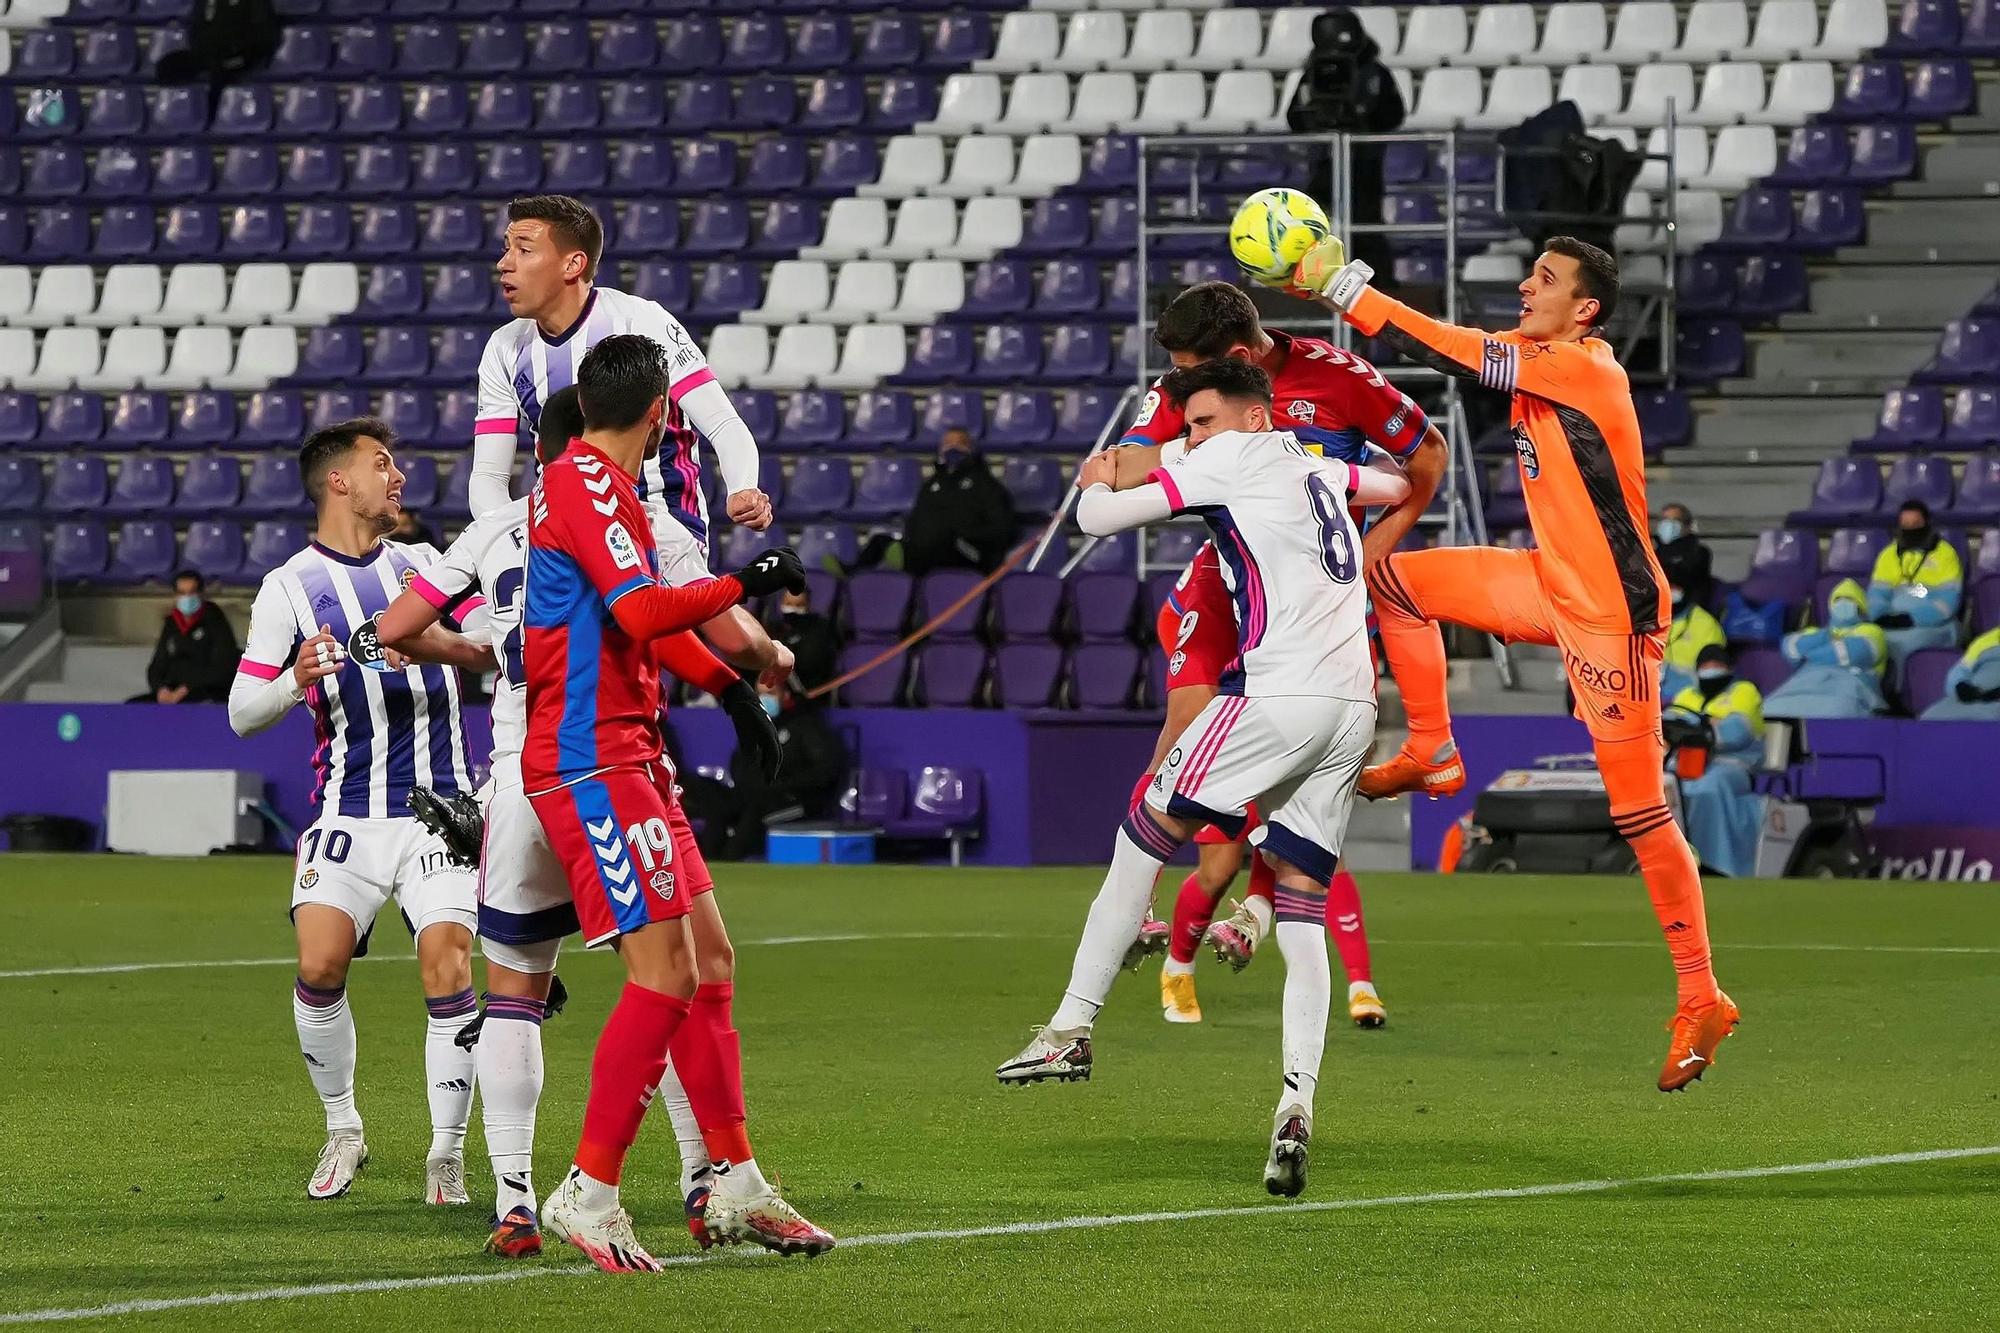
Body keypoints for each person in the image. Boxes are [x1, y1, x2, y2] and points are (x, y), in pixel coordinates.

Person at [1293, 232, 1740, 1091]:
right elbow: (1469, 346)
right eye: (1531, 273)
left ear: (1586, 309)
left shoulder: (1584, 369)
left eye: (1547, 280)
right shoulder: (1544, 355)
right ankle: (1432, 746)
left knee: (1640, 810)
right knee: (1395, 581)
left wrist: (1352, 289)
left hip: (1612, 613)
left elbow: (1454, 349)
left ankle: (1701, 993)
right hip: (1550, 582)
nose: (1528, 287)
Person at [371, 384, 787, 1258]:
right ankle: (639, 1182)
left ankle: (527, 1195)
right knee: (666, 970)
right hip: (589, 757)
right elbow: (688, 616)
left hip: (533, 759)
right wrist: (757, 654)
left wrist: (476, 651)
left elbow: (398, 625)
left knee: (554, 984)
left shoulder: (502, 525)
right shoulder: (611, 504)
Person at [997, 359, 1412, 1198]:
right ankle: (1295, 1105)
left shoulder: (1234, 457)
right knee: (1299, 912)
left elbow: (1099, 519)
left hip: (1280, 695)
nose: (1189, 440)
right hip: (1354, 706)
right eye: (1186, 426)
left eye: (1202, 421)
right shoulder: (1319, 465)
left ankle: (1072, 1025)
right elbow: (1396, 482)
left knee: (1142, 829)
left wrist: (1096, 475)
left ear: (1253, 417)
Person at [517, 335, 831, 1272]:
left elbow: (633, 616)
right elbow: (648, 611)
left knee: (710, 959)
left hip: (633, 755)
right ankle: (589, 1189)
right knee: (663, 974)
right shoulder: (583, 486)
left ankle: (734, 1181)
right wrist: (746, 584)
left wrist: (730, 690)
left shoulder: (600, 487)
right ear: (662, 412)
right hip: (588, 761)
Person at [1106, 279, 1445, 1023]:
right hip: (1224, 579)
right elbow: (1130, 466)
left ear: (1233, 356)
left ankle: (1262, 911)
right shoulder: (1183, 388)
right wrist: (1129, 460)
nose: (1179, 388)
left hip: (1311, 605)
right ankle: (1138, 906)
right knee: (1183, 729)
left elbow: (1428, 456)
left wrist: (1375, 550)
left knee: (1301, 783)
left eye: (1192, 370)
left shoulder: (1339, 378)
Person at [227, 418, 495, 1204]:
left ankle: (445, 1153)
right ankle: (344, 1127)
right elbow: (244, 709)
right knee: (318, 966)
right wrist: (296, 677)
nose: (399, 476)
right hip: (349, 808)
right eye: (384, 463)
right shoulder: (290, 587)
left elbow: (490, 642)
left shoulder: (425, 565)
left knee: (447, 962)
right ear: (338, 481)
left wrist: (438, 639)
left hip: (441, 809)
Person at [1148, 543, 1385, 1032]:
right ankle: (1179, 964)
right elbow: (1174, 624)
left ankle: (1361, 984)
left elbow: (1366, 647)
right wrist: (1211, 694)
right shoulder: (1225, 545)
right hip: (1233, 704)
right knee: (1218, 868)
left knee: (1312, 852)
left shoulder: (1337, 554)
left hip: (1298, 709)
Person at [472, 193, 773, 544]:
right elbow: (489, 475)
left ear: (573, 265)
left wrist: (742, 487)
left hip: (662, 534)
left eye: (523, 251)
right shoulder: (503, 347)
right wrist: (509, 539)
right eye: (507, 248)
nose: (504, 263)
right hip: (567, 540)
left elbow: (723, 424)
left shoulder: (641, 321)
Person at [711, 683, 849, 861]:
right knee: (717, 804)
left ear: (785, 695)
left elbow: (825, 770)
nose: (763, 699)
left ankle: (730, 861)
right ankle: (707, 864)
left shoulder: (806, 725)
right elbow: (740, 764)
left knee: (756, 811)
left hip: (799, 801)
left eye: (770, 693)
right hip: (759, 796)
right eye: (759, 694)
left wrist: (782, 784)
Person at [1663, 645, 1766, 878]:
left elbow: (1737, 732)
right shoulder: (1686, 695)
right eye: (1706, 667)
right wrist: (1706, 724)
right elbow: (1670, 725)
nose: (1710, 671)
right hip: (1687, 763)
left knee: (1709, 787)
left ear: (1729, 668)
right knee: (1669, 788)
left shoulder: (1744, 691)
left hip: (1733, 764)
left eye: (1716, 666)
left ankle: (1716, 864)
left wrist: (1701, 729)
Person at [1764, 578, 1889, 719]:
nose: (1843, 603)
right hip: (1804, 683)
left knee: (1836, 713)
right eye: (1838, 599)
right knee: (1769, 711)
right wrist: (1827, 638)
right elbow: (1790, 648)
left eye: (1849, 599)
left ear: (1860, 606)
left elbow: (1854, 653)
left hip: (1848, 687)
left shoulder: (1871, 631)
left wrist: (1811, 653)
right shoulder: (1817, 632)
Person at [901, 428, 1017, 576]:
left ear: (970, 449)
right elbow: (914, 523)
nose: (953, 448)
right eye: (948, 443)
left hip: (971, 553)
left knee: (942, 539)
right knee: (880, 543)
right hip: (927, 551)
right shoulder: (930, 486)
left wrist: (963, 536)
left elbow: (1003, 529)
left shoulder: (987, 486)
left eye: (960, 443)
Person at [1867, 501, 1963, 673]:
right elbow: (1876, 594)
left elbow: (1948, 602)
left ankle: (1904, 694)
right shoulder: (1888, 554)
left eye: (1915, 524)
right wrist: (1881, 616)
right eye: (1905, 525)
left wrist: (1911, 619)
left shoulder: (1945, 554)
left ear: (1926, 524)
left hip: (1934, 624)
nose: (1910, 530)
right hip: (1892, 620)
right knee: (1869, 640)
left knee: (1906, 644)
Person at [138, 569, 238, 704]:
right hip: (173, 690)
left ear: (201, 594)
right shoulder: (172, 623)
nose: (187, 598)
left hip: (206, 691)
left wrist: (185, 689)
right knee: (133, 706)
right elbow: (157, 664)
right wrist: (161, 689)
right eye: (182, 593)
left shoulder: (214, 620)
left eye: (192, 592)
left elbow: (222, 667)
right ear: (175, 595)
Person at [1661, 579, 1726, 701]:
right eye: (1666, 585)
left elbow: (1714, 669)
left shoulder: (1706, 624)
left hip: (1691, 698)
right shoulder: (1643, 617)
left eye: (1674, 586)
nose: (1670, 590)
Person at [769, 585, 839, 693]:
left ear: (807, 606)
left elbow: (811, 665)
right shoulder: (773, 629)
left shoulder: (818, 631)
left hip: (806, 693)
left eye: (799, 605)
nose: (792, 610)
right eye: (788, 604)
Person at [1921, 626, 2000, 719]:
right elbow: (1961, 669)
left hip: (1994, 703)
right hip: (1973, 696)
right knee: (1929, 717)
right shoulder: (1986, 641)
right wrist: (1959, 685)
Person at [1653, 503, 1713, 609]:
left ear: (1687, 526)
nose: (1668, 524)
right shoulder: (1653, 553)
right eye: (1665, 519)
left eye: (1675, 520)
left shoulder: (1699, 553)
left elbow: (1690, 577)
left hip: (1687, 612)